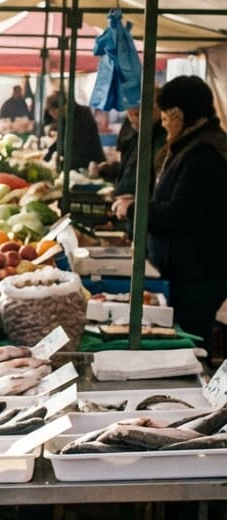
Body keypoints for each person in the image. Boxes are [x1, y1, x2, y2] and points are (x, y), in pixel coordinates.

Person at [146, 76, 227, 343]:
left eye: (166, 116)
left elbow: (180, 215)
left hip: (198, 275)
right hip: (189, 271)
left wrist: (138, 211)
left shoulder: (204, 153)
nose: (164, 122)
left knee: (191, 341)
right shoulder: (194, 145)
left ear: (178, 113)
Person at [110, 106, 167, 221]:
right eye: (129, 115)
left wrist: (134, 203)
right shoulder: (136, 132)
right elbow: (127, 167)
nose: (132, 119)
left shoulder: (160, 139)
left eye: (136, 114)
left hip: (146, 216)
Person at [44, 92, 107, 172]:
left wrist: (62, 166)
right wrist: (47, 156)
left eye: (51, 111)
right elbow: (60, 142)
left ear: (58, 109)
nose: (51, 114)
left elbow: (79, 148)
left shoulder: (81, 116)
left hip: (90, 166)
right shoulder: (66, 117)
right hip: (79, 164)